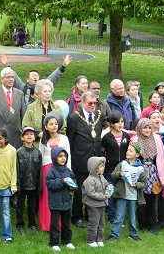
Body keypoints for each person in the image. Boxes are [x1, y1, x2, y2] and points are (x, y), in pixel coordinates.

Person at [66, 92, 106, 229]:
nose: (93, 106)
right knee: (80, 190)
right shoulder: (74, 118)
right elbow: (70, 141)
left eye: (95, 103)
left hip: (95, 159)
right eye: (90, 103)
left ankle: (90, 213)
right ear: (82, 103)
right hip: (80, 159)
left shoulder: (99, 117)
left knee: (95, 187)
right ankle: (77, 216)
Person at [134, 118, 164, 235]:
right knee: (141, 200)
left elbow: (162, 158)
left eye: (149, 127)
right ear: (140, 128)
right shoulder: (135, 140)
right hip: (141, 173)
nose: (147, 130)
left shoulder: (157, 139)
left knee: (153, 199)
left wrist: (161, 176)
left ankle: (153, 223)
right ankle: (142, 224)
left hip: (153, 173)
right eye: (145, 127)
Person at [107, 143, 146, 242]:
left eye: (131, 151)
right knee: (119, 216)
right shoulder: (122, 164)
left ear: (137, 155)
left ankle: (133, 234)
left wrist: (136, 185)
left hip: (133, 196)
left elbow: (144, 183)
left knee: (132, 217)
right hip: (122, 195)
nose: (127, 152)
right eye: (127, 150)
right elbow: (113, 174)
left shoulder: (141, 168)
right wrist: (120, 174)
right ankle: (114, 235)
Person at [39, 114, 71, 232]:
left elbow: (68, 155)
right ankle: (47, 224)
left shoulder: (64, 139)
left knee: (60, 195)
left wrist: (68, 172)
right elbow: (41, 156)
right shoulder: (44, 140)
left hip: (61, 170)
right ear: (46, 127)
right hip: (47, 170)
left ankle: (61, 223)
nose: (54, 126)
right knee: (47, 196)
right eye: (51, 124)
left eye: (56, 124)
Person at [0, 53, 72, 101]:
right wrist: (7, 65)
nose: (35, 77)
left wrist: (63, 66)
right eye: (33, 76)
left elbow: (54, 76)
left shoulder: (44, 85)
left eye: (37, 76)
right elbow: (15, 78)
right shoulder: (23, 88)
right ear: (27, 79)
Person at [0, 67, 26, 149]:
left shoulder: (20, 94)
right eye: (8, 77)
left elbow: (23, 115)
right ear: (1, 79)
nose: (11, 79)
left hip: (15, 135)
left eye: (12, 77)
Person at [100, 113, 130, 224]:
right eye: (117, 122)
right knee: (110, 194)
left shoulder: (126, 136)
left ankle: (119, 217)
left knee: (121, 193)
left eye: (122, 122)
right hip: (109, 169)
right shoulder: (107, 137)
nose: (120, 124)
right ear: (112, 124)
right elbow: (102, 152)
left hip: (122, 169)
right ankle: (111, 218)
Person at [46, 146, 77, 251]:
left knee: (66, 223)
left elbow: (74, 181)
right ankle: (54, 243)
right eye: (60, 156)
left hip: (67, 202)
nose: (63, 158)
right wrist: (62, 181)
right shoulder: (51, 171)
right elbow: (50, 184)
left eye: (64, 156)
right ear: (54, 158)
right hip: (55, 202)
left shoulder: (68, 170)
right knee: (55, 224)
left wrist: (72, 186)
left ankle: (67, 241)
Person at [21, 79, 65, 148]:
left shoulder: (57, 107)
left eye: (49, 91)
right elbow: (25, 126)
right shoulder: (31, 108)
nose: (48, 93)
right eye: (45, 91)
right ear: (39, 93)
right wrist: (38, 134)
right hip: (37, 144)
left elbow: (63, 126)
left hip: (56, 144)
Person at [15, 127, 42, 234]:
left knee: (32, 206)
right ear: (22, 138)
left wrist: (39, 186)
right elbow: (16, 170)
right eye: (26, 134)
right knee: (20, 205)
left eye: (31, 134)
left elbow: (40, 171)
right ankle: (20, 224)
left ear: (34, 137)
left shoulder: (38, 153)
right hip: (22, 184)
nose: (29, 136)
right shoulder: (18, 152)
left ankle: (32, 224)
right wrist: (16, 185)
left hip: (33, 185)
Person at [82, 156, 109, 247]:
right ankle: (91, 240)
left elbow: (105, 183)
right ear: (94, 168)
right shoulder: (89, 180)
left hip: (101, 204)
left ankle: (99, 239)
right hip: (93, 205)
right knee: (94, 222)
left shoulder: (101, 177)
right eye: (101, 166)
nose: (103, 168)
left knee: (101, 222)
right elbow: (90, 193)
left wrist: (108, 186)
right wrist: (103, 196)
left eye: (103, 166)